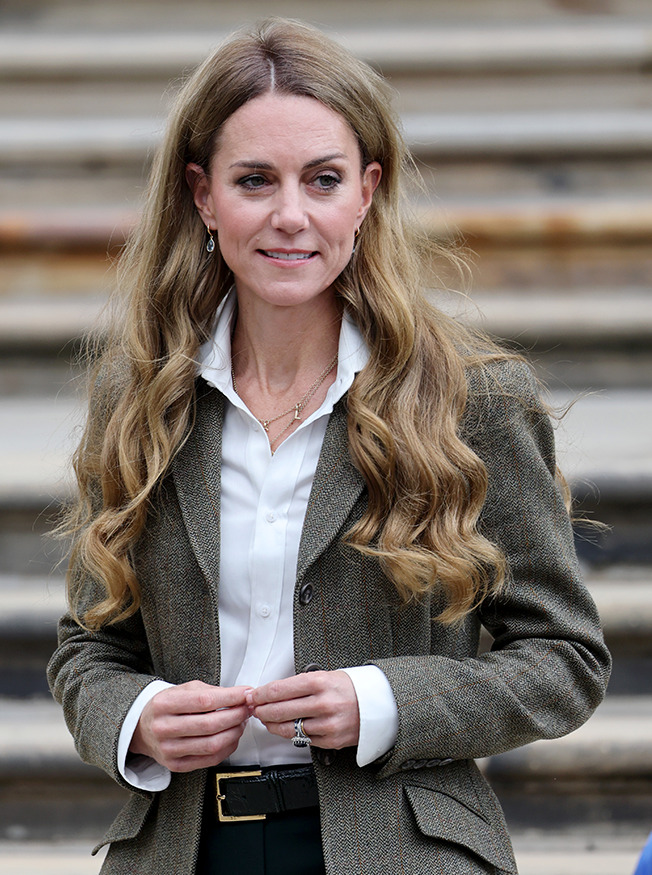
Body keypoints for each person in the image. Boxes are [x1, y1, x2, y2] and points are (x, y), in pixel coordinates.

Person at [47, 18, 611, 875]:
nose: (290, 216)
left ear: (367, 191)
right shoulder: (140, 399)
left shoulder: (473, 399)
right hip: (187, 849)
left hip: (401, 849)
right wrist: (136, 717)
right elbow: (87, 647)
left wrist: (384, 700)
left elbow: (565, 658)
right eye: (253, 180)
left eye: (322, 179)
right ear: (202, 195)